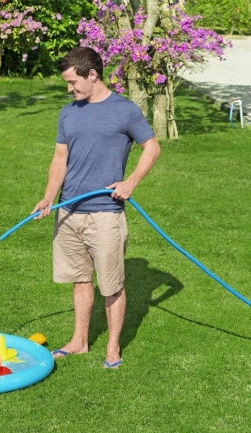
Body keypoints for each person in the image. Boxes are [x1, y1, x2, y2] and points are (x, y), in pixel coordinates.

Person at [31, 46, 161, 368]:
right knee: (80, 279)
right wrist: (48, 197)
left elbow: (152, 147)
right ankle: (79, 341)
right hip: (69, 211)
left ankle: (113, 348)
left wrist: (130, 182)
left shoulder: (125, 110)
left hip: (105, 213)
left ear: (92, 74)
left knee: (111, 286)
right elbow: (60, 158)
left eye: (73, 82)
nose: (69, 89)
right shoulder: (69, 112)